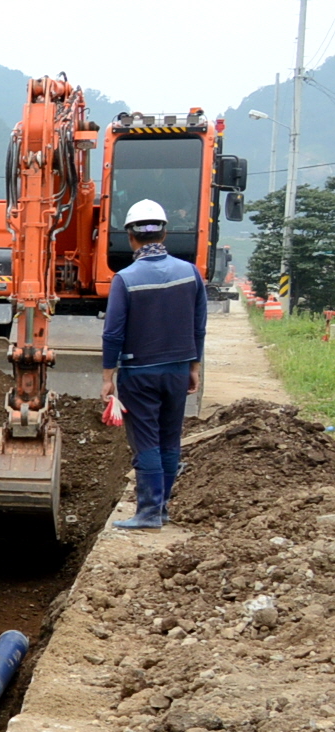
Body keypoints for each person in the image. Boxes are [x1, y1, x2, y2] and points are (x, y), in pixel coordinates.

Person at [102, 196, 208, 530]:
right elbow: (198, 326)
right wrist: (194, 367)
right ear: (164, 235)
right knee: (169, 439)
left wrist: (109, 376)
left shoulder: (125, 279)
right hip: (178, 370)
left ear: (130, 237)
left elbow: (113, 333)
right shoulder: (190, 273)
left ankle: (148, 513)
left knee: (146, 440)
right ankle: (160, 509)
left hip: (139, 374)